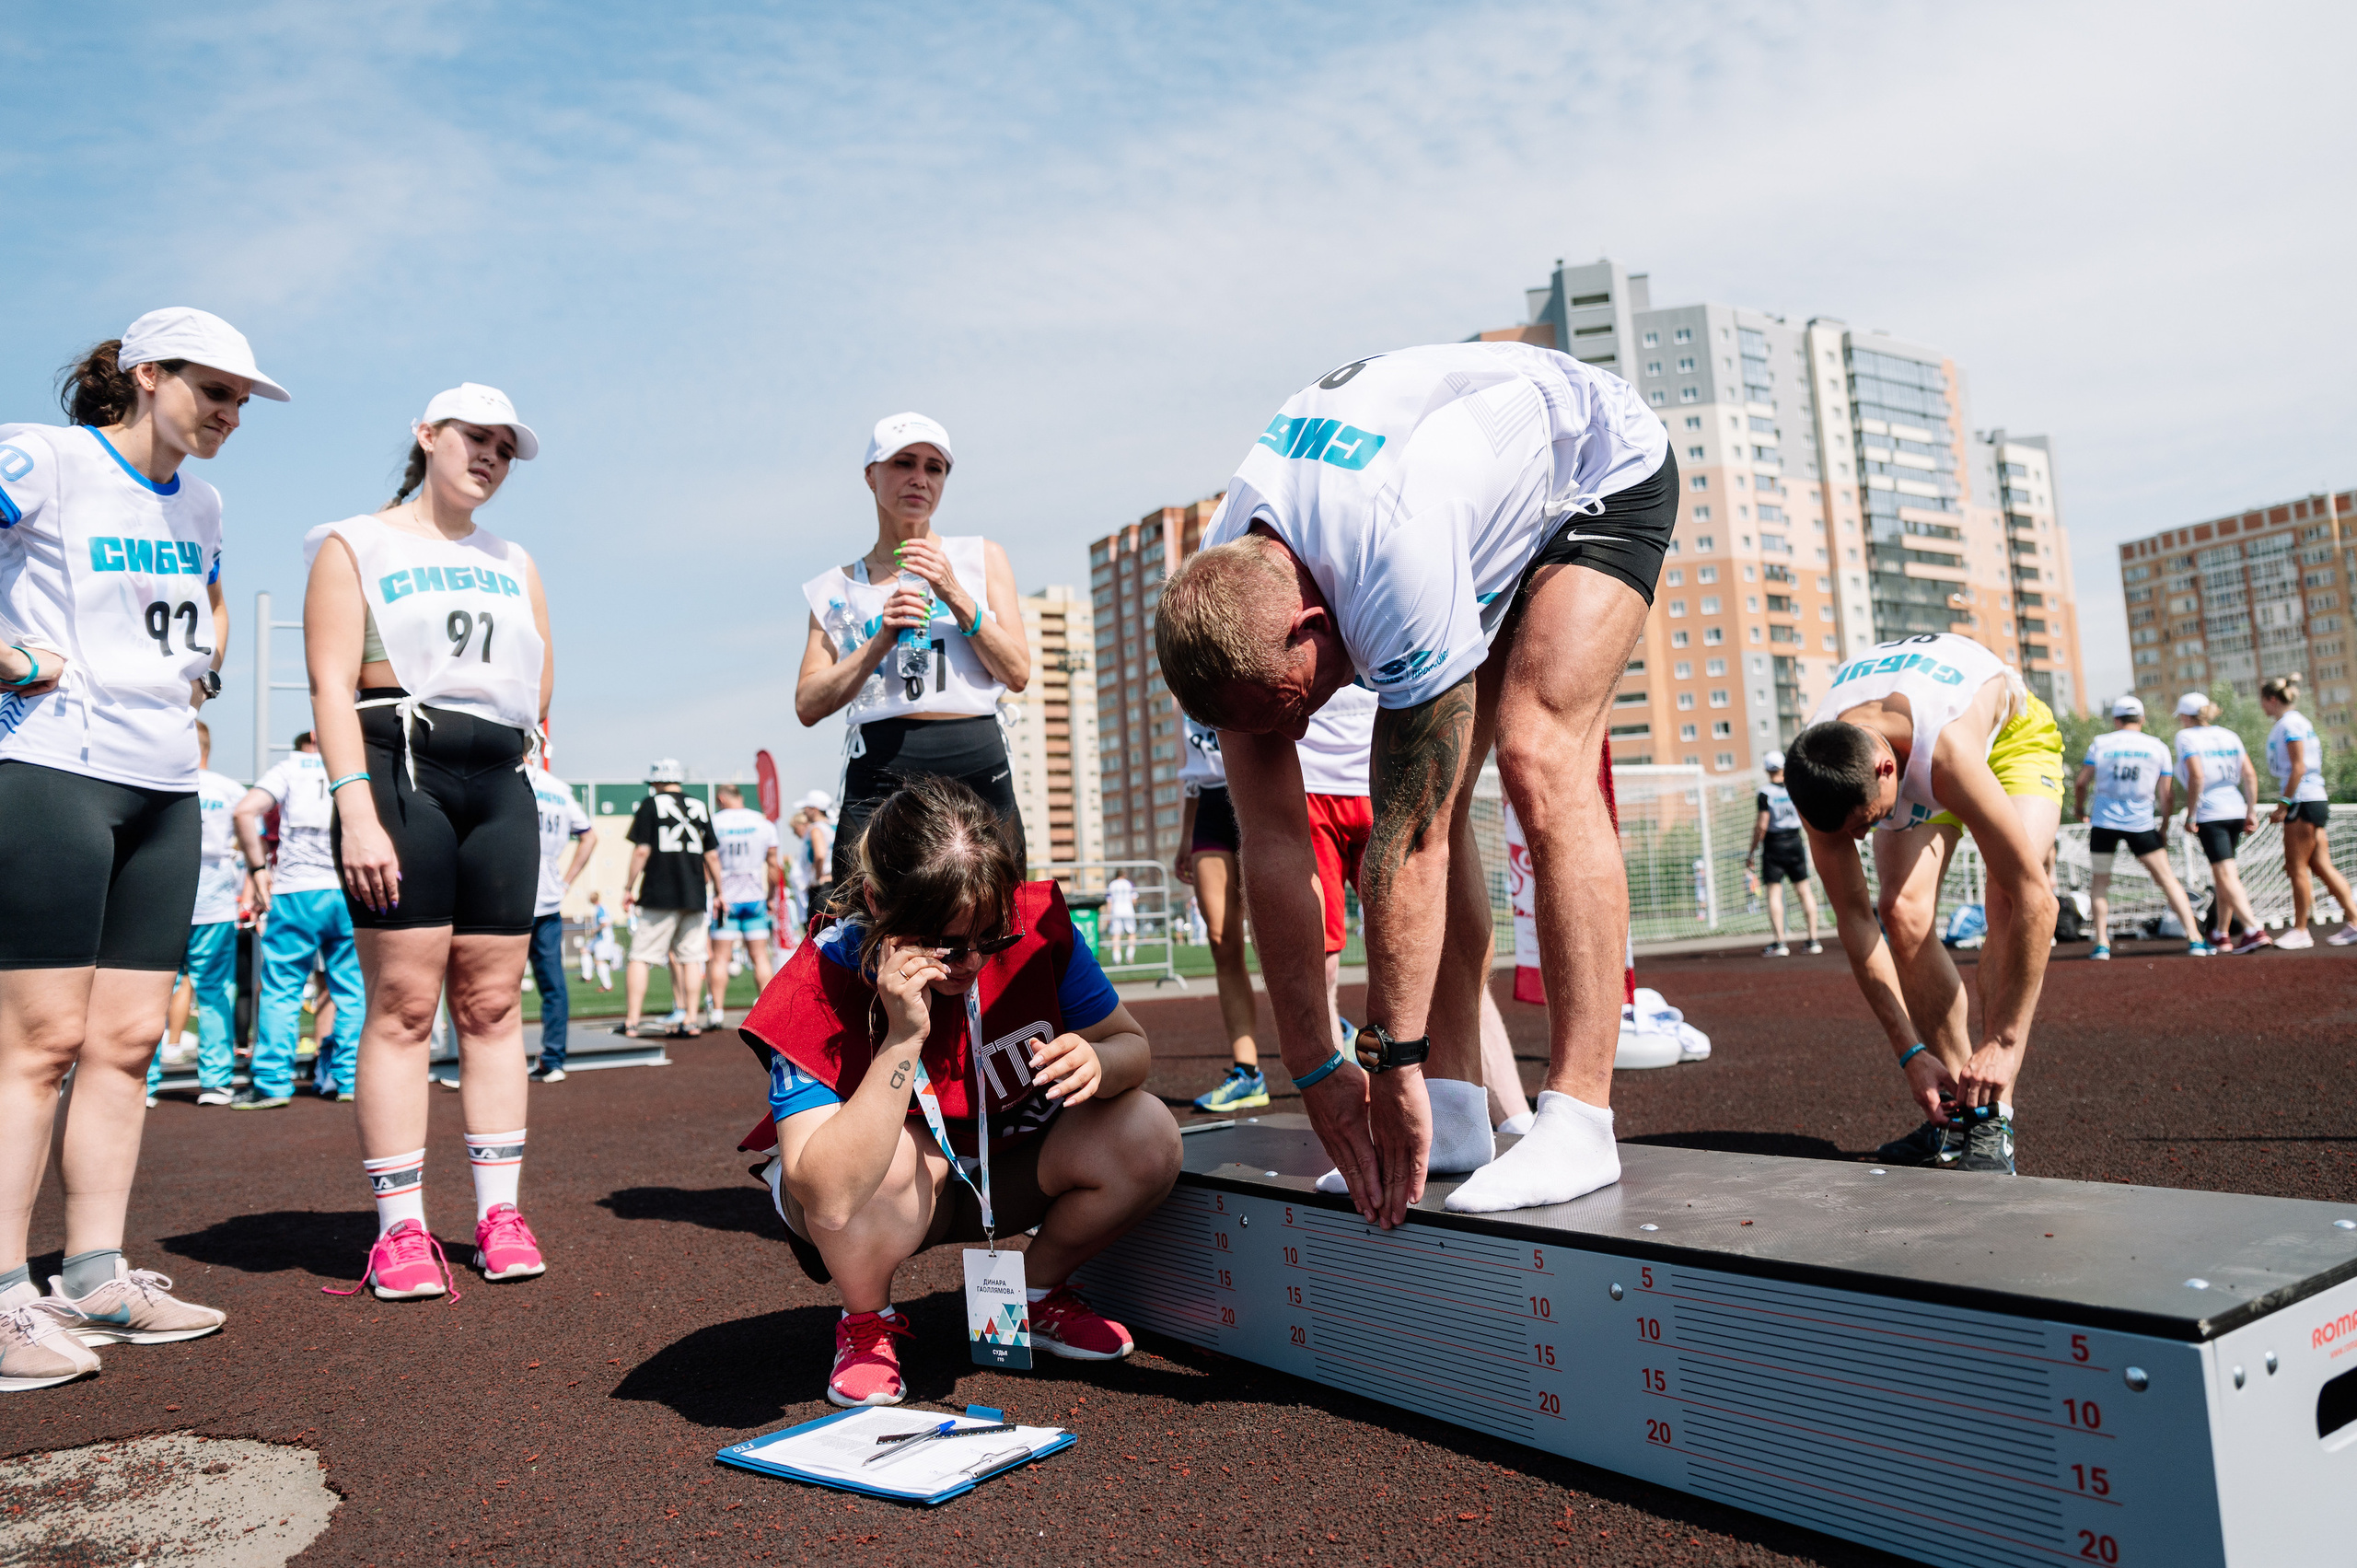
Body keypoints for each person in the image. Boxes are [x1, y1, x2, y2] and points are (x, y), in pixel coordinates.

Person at [1155, 341, 1672, 1223]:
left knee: (1535, 756)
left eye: (1292, 701)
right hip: (1457, 500)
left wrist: (1387, 1062)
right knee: (1447, 785)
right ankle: (1460, 1107)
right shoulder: (1225, 601)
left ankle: (1582, 1114)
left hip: (1594, 462)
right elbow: (1275, 847)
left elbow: (1410, 842)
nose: (1296, 730)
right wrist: (1317, 1070)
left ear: (1312, 622)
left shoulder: (1387, 560)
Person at [0, 308, 281, 1389]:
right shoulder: (47, 456)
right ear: (145, 371)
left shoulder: (202, 501)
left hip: (166, 786)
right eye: (214, 389)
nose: (229, 413)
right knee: (38, 1043)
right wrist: (17, 656)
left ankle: (96, 1270)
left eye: (242, 400)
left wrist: (202, 658)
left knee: (126, 1043)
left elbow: (198, 601)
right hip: (52, 770)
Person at [736, 776, 1179, 1407]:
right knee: (877, 1166)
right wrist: (901, 1038)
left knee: (1147, 1130)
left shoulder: (1035, 920)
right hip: (881, 1197)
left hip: (1004, 1172)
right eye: (946, 942)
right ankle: (865, 1322)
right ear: (877, 903)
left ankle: (1034, 1292)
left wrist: (1100, 1061)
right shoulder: (819, 973)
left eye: (990, 937)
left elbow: (1131, 1045)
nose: (972, 961)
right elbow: (827, 1196)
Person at [304, 381, 553, 1300]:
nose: (488, 455)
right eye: (473, 438)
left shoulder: (513, 556)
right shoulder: (353, 542)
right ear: (426, 436)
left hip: (498, 780)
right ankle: (402, 1227)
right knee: (406, 1003)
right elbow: (332, 685)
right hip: (399, 766)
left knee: (493, 1003)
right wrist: (355, 805)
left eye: (502, 446)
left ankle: (498, 1211)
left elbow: (539, 675)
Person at [1782, 633, 2065, 1176]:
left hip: (2009, 741)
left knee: (2007, 895)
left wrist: (2005, 1042)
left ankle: (1994, 1114)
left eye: (1866, 823)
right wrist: (1911, 1054)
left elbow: (2039, 900)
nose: (1860, 840)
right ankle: (1961, 1115)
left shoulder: (1948, 754)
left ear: (1886, 772)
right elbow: (1855, 920)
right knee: (1901, 913)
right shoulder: (1821, 772)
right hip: (1901, 751)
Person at [795, 414, 1030, 878]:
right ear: (871, 475)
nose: (919, 479)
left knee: (1000, 922)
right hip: (881, 762)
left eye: (934, 467)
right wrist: (880, 638)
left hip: (974, 753)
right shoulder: (834, 588)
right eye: (903, 463)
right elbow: (807, 704)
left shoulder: (982, 557)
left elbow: (1018, 672)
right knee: (862, 923)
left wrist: (954, 593)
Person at [231, 732, 366, 1107]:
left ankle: (272, 1083)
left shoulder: (291, 767)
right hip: (348, 888)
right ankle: (349, 1078)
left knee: (281, 988)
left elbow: (244, 810)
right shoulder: (361, 765)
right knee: (352, 989)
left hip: (296, 891)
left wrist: (258, 871)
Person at [146, 719, 249, 1108]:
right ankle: (216, 1082)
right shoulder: (230, 789)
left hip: (161, 904)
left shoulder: (157, 783)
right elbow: (248, 839)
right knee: (213, 994)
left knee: (151, 995)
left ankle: (144, 1082)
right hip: (214, 905)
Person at [1177, 720, 1266, 1113]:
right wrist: (1185, 833)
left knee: (1278, 937)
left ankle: (1330, 1034)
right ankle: (1247, 1073)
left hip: (1261, 791)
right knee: (1220, 940)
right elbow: (1195, 769)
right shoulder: (1183, 686)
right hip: (1210, 806)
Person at [2075, 695, 2208, 959]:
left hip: (2104, 823)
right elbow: (2167, 795)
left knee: (2100, 883)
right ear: (2142, 719)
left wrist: (2079, 810)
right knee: (2168, 881)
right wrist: (2165, 825)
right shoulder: (2156, 746)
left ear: (2115, 719)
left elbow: (2081, 783)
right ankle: (2195, 939)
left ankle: (2102, 944)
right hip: (2141, 824)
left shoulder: (2101, 743)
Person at [620, 762, 722, 1038]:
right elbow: (711, 855)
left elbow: (642, 850)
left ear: (657, 782)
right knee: (691, 957)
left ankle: (631, 1022)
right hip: (694, 892)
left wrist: (628, 886)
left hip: (659, 892)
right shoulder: (700, 806)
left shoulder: (650, 804)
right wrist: (720, 892)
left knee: (640, 956)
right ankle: (690, 1020)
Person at [2259, 673, 2357, 947]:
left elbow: (2298, 767)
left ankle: (2301, 930)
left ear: (2271, 699)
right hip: (2313, 798)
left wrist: (2283, 805)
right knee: (2320, 865)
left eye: (2263, 702)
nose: (2262, 708)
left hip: (2303, 800)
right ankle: (2354, 920)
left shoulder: (2289, 724)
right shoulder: (2297, 721)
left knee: (2296, 866)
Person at [2172, 691, 2267, 954]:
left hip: (2211, 813)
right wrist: (2251, 810)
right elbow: (2249, 774)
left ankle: (2252, 928)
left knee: (2225, 873)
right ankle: (2221, 934)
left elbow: (2197, 777)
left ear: (2185, 716)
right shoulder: (2229, 735)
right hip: (2236, 808)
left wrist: (2191, 815)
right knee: (2223, 873)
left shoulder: (2186, 737)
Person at [527, 769, 596, 1081]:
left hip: (510, 894)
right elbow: (589, 835)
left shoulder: (506, 772)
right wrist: (565, 882)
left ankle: (484, 1066)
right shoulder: (559, 789)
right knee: (554, 985)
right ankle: (553, 1060)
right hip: (549, 896)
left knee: (492, 983)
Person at [705, 783, 783, 1028]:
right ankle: (767, 1012)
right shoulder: (763, 823)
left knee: (719, 958)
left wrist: (716, 892)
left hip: (726, 899)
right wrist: (771, 896)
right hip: (754, 898)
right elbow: (773, 865)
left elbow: (709, 860)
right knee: (760, 956)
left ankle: (716, 1012)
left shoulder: (715, 823)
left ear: (721, 799)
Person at [1745, 751, 1822, 958]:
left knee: (1774, 893)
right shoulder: (1794, 789)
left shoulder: (1765, 792)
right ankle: (1813, 939)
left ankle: (1780, 942)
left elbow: (1762, 825)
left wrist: (1751, 851)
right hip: (1795, 842)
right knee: (1804, 891)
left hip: (1774, 845)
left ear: (1766, 769)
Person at [581, 892, 619, 990]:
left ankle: (607, 985)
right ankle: (587, 976)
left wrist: (595, 930)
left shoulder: (600, 909)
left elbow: (605, 923)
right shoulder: (598, 908)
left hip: (604, 939)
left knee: (600, 961)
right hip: (598, 938)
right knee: (585, 950)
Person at [1101, 874, 1138, 967]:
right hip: (1129, 911)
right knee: (1132, 933)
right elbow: (1134, 900)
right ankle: (1130, 957)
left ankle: (1116, 959)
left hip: (1116, 912)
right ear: (1124, 875)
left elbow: (1109, 902)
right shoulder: (1129, 883)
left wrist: (1108, 915)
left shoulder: (1112, 884)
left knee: (1116, 935)